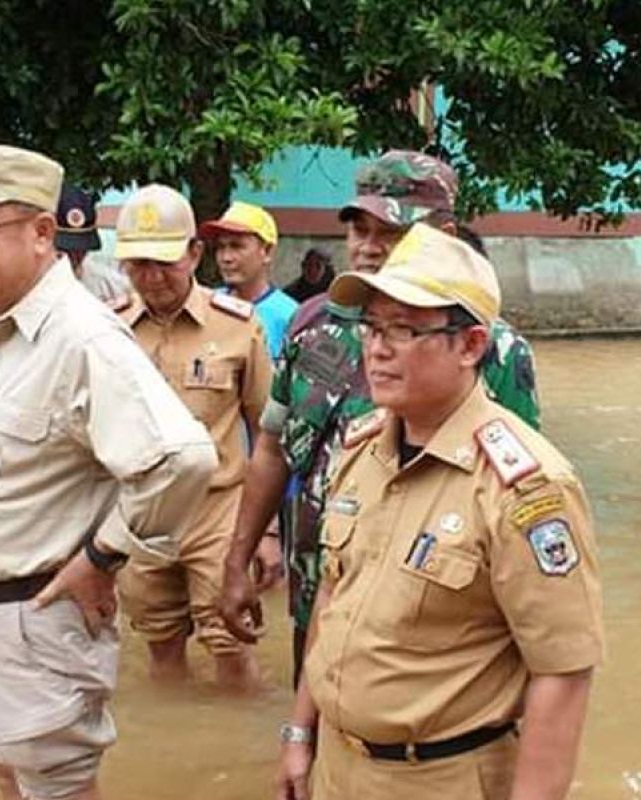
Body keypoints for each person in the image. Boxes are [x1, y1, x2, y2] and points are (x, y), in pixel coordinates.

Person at [0, 145, 216, 800]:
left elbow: (184, 460)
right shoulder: (0, 325)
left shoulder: (82, 337)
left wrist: (102, 557)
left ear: (43, 233)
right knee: (9, 779)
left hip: (33, 620)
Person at [276, 222, 602, 800]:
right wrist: (300, 731)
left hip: (442, 779)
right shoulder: (361, 448)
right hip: (336, 766)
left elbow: (563, 669)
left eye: (404, 329)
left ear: (471, 345)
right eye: (373, 327)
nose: (376, 348)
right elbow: (333, 597)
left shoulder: (525, 488)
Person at [220, 150, 542, 685]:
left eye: (389, 233)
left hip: (429, 617)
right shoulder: (312, 324)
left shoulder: (491, 349)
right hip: (320, 590)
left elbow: (517, 501)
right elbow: (273, 448)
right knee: (313, 741)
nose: (368, 248)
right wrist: (239, 559)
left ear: (443, 234)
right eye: (358, 229)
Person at [110, 184, 272, 692]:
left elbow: (267, 431)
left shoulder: (238, 328)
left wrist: (267, 534)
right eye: (137, 264)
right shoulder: (107, 330)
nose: (152, 278)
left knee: (231, 643)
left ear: (194, 254)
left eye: (165, 262)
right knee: (159, 644)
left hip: (217, 512)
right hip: (140, 514)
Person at [200, 201, 298, 359]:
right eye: (220, 247)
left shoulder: (291, 317)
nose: (226, 258)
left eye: (236, 246)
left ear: (266, 251)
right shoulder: (205, 305)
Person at [55, 183, 130, 302]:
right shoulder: (22, 287)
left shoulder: (111, 287)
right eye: (65, 249)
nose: (74, 257)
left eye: (81, 249)